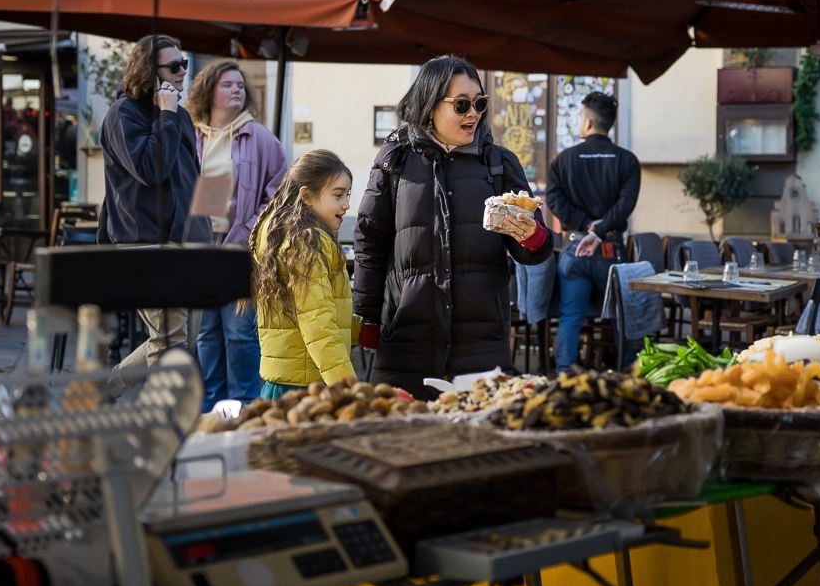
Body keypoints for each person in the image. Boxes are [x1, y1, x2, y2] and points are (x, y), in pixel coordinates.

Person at [353, 55, 553, 399]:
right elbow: (370, 243)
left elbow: (534, 250)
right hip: (406, 340)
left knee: (479, 444)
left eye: (479, 103)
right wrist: (366, 317)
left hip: (480, 343)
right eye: (461, 104)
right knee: (402, 441)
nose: (473, 113)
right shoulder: (394, 161)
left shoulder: (500, 163)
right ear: (431, 106)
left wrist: (533, 237)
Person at [100, 34, 211, 389]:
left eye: (185, 64)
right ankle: (167, 423)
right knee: (171, 344)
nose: (182, 72)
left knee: (177, 341)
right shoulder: (123, 114)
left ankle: (107, 389)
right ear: (149, 71)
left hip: (187, 241)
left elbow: (190, 178)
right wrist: (165, 114)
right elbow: (150, 170)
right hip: (147, 242)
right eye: (174, 65)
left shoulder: (178, 114)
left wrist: (207, 227)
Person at [186, 60, 287, 409]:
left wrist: (247, 230)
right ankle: (210, 408)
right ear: (208, 91)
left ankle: (245, 405)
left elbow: (278, 195)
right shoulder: (191, 133)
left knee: (240, 333)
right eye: (228, 84)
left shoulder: (258, 137)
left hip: (239, 248)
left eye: (240, 86)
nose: (236, 90)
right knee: (206, 334)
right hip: (198, 247)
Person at [250, 150, 360, 400]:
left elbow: (313, 314)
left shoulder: (286, 234)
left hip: (289, 382)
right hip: (305, 389)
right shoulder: (305, 243)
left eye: (347, 195)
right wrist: (349, 390)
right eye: (338, 195)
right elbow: (318, 326)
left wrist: (362, 331)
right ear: (307, 196)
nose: (346, 204)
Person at [546, 92, 641, 372]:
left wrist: (584, 223)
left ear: (587, 122)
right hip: (611, 251)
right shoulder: (627, 161)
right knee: (621, 317)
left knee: (570, 316)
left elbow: (554, 201)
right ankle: (628, 374)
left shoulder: (563, 160)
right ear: (608, 124)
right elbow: (626, 205)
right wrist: (599, 229)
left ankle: (565, 375)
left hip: (575, 250)